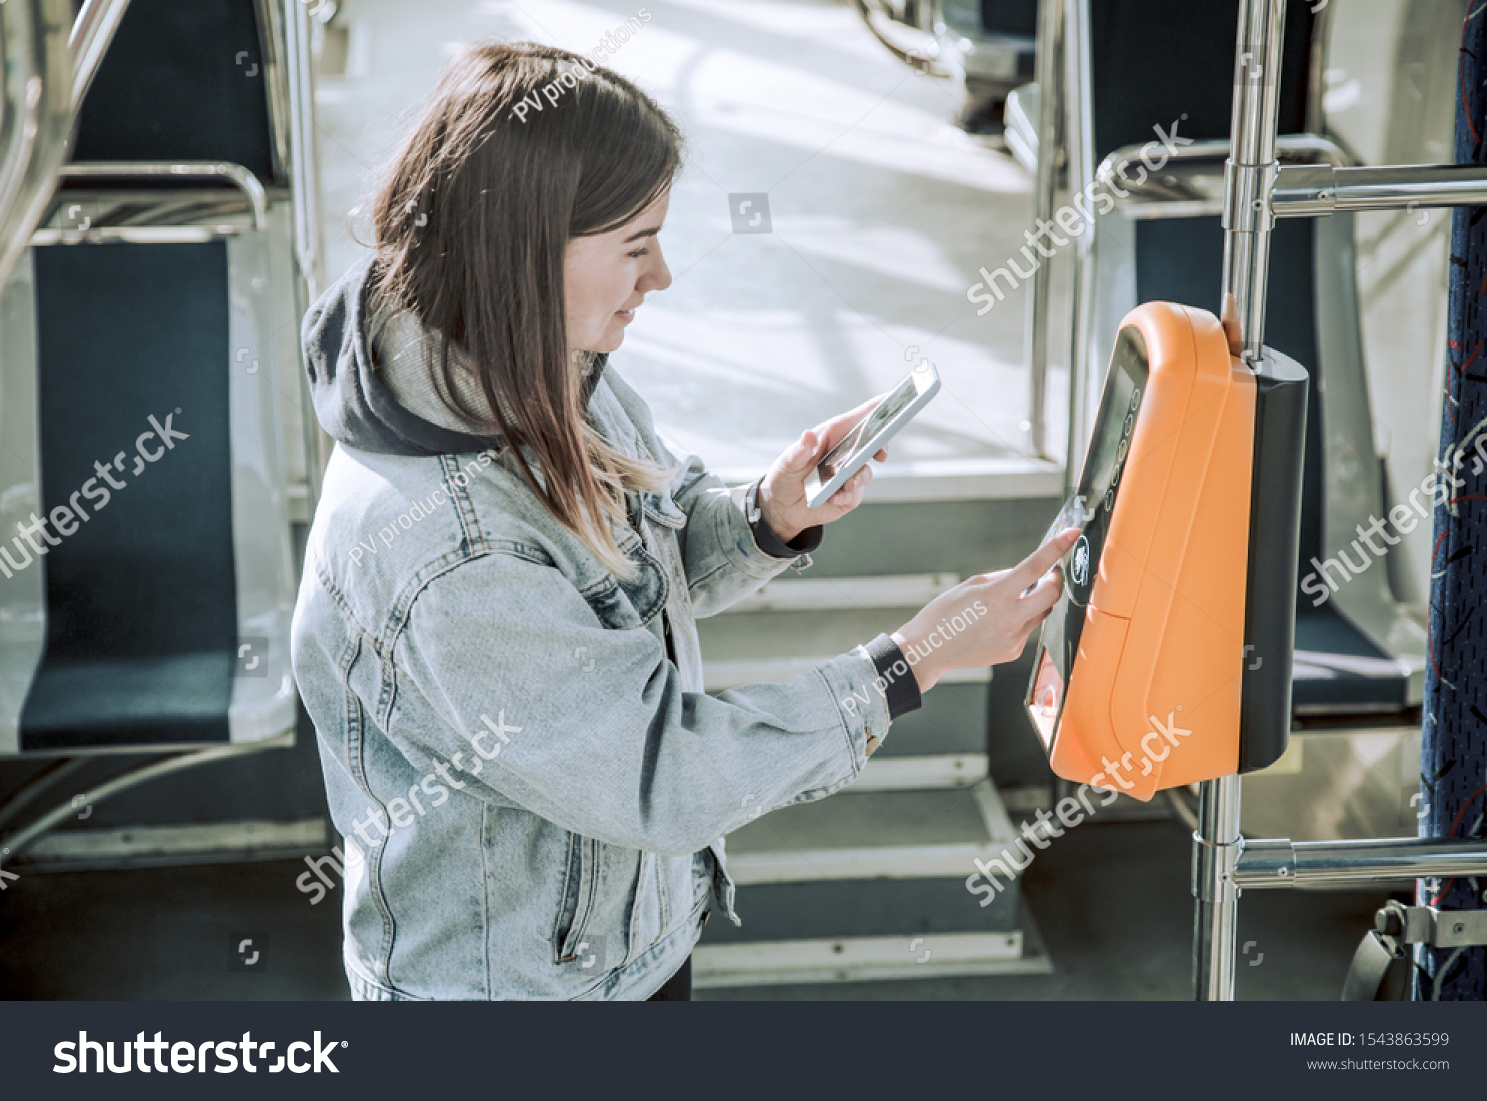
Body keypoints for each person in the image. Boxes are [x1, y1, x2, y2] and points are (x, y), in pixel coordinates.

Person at [291, 40, 1078, 1001]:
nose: (661, 277)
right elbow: (658, 772)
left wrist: (762, 517)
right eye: (635, 245)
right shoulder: (452, 553)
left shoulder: (538, 364)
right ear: (527, 254)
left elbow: (618, 577)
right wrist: (915, 659)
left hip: (627, 951)